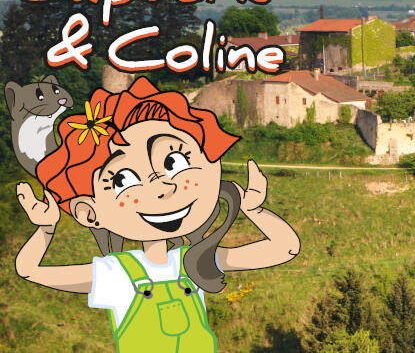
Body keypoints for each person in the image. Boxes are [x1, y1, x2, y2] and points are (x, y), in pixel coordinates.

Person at [14, 77, 299, 352]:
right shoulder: (116, 274)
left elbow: (285, 248)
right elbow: (29, 271)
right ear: (90, 213)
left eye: (174, 162)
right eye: (123, 180)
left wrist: (255, 210)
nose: (162, 187)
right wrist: (45, 230)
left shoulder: (195, 260)